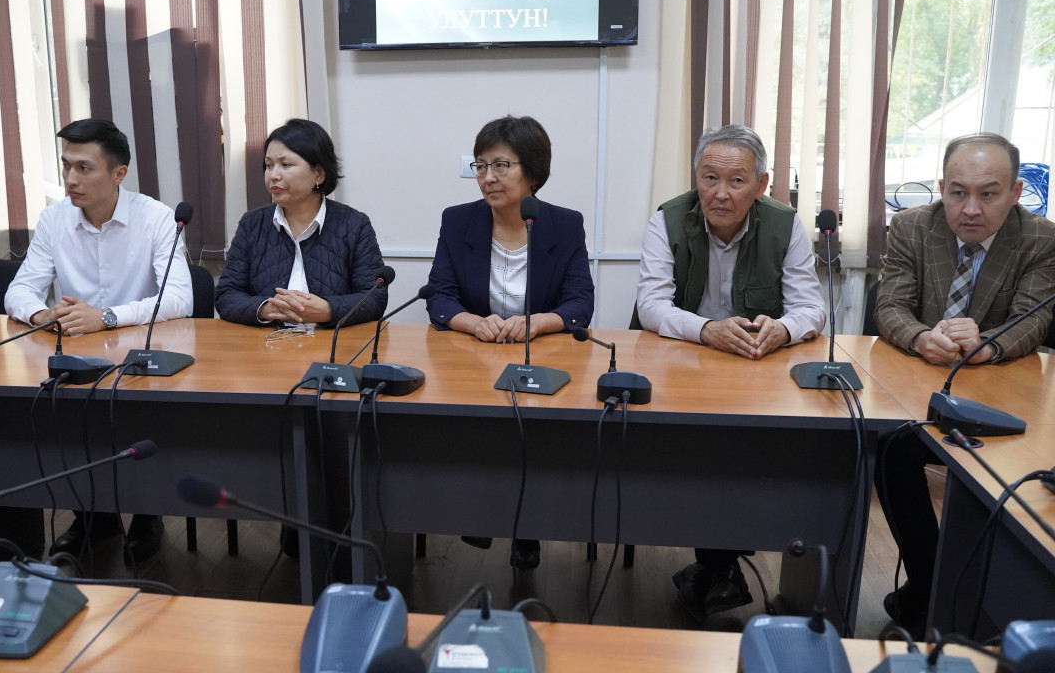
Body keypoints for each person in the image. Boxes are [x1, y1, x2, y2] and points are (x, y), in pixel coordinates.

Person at [634, 124, 826, 620]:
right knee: (702, 442)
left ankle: (715, 568)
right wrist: (705, 330)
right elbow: (651, 306)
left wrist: (783, 329)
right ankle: (719, 566)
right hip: (681, 365)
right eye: (709, 178)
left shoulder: (785, 225)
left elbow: (811, 307)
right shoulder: (667, 220)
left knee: (748, 441)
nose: (720, 193)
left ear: (761, 185)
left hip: (757, 369)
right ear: (696, 178)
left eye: (736, 180)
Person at [873, 132, 1055, 635]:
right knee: (890, 450)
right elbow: (889, 306)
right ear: (942, 189)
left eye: (988, 194)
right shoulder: (911, 226)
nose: (970, 209)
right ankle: (932, 583)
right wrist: (920, 337)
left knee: (1012, 471)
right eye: (958, 192)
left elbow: (1033, 321)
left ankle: (982, 597)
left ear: (1015, 192)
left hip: (1005, 396)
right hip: (920, 388)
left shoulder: (1041, 239)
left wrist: (987, 345)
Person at [4, 118, 192, 567]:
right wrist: (41, 314)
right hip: (77, 351)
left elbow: (180, 298)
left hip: (143, 353)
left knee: (139, 418)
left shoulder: (156, 217)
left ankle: (147, 516)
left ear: (118, 174)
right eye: (66, 166)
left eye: (84, 168)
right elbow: (19, 290)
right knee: (69, 421)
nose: (71, 179)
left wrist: (106, 317)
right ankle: (93, 517)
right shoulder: (54, 220)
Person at [425, 115, 595, 570]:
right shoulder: (458, 220)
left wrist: (538, 322)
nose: (488, 178)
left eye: (501, 165)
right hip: (473, 358)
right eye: (481, 166)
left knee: (533, 426)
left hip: (539, 359)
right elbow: (439, 296)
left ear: (532, 173)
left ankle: (526, 525)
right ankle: (479, 509)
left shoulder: (563, 224)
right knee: (469, 420)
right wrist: (470, 322)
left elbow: (580, 302)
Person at [215, 118, 387, 328]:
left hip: (330, 343)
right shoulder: (252, 224)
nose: (273, 175)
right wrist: (266, 309)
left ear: (319, 173)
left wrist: (328, 310)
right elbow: (226, 295)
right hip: (268, 343)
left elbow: (374, 297)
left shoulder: (354, 225)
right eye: (269, 165)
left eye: (285, 165)